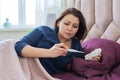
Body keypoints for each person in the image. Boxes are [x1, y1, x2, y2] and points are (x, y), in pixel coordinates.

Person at [14, 8, 101, 75]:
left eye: (75, 26)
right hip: (24, 70)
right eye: (66, 23)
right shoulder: (42, 31)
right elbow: (18, 46)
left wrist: (90, 59)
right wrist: (49, 53)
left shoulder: (76, 45)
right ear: (58, 23)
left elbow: (79, 63)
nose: (70, 28)